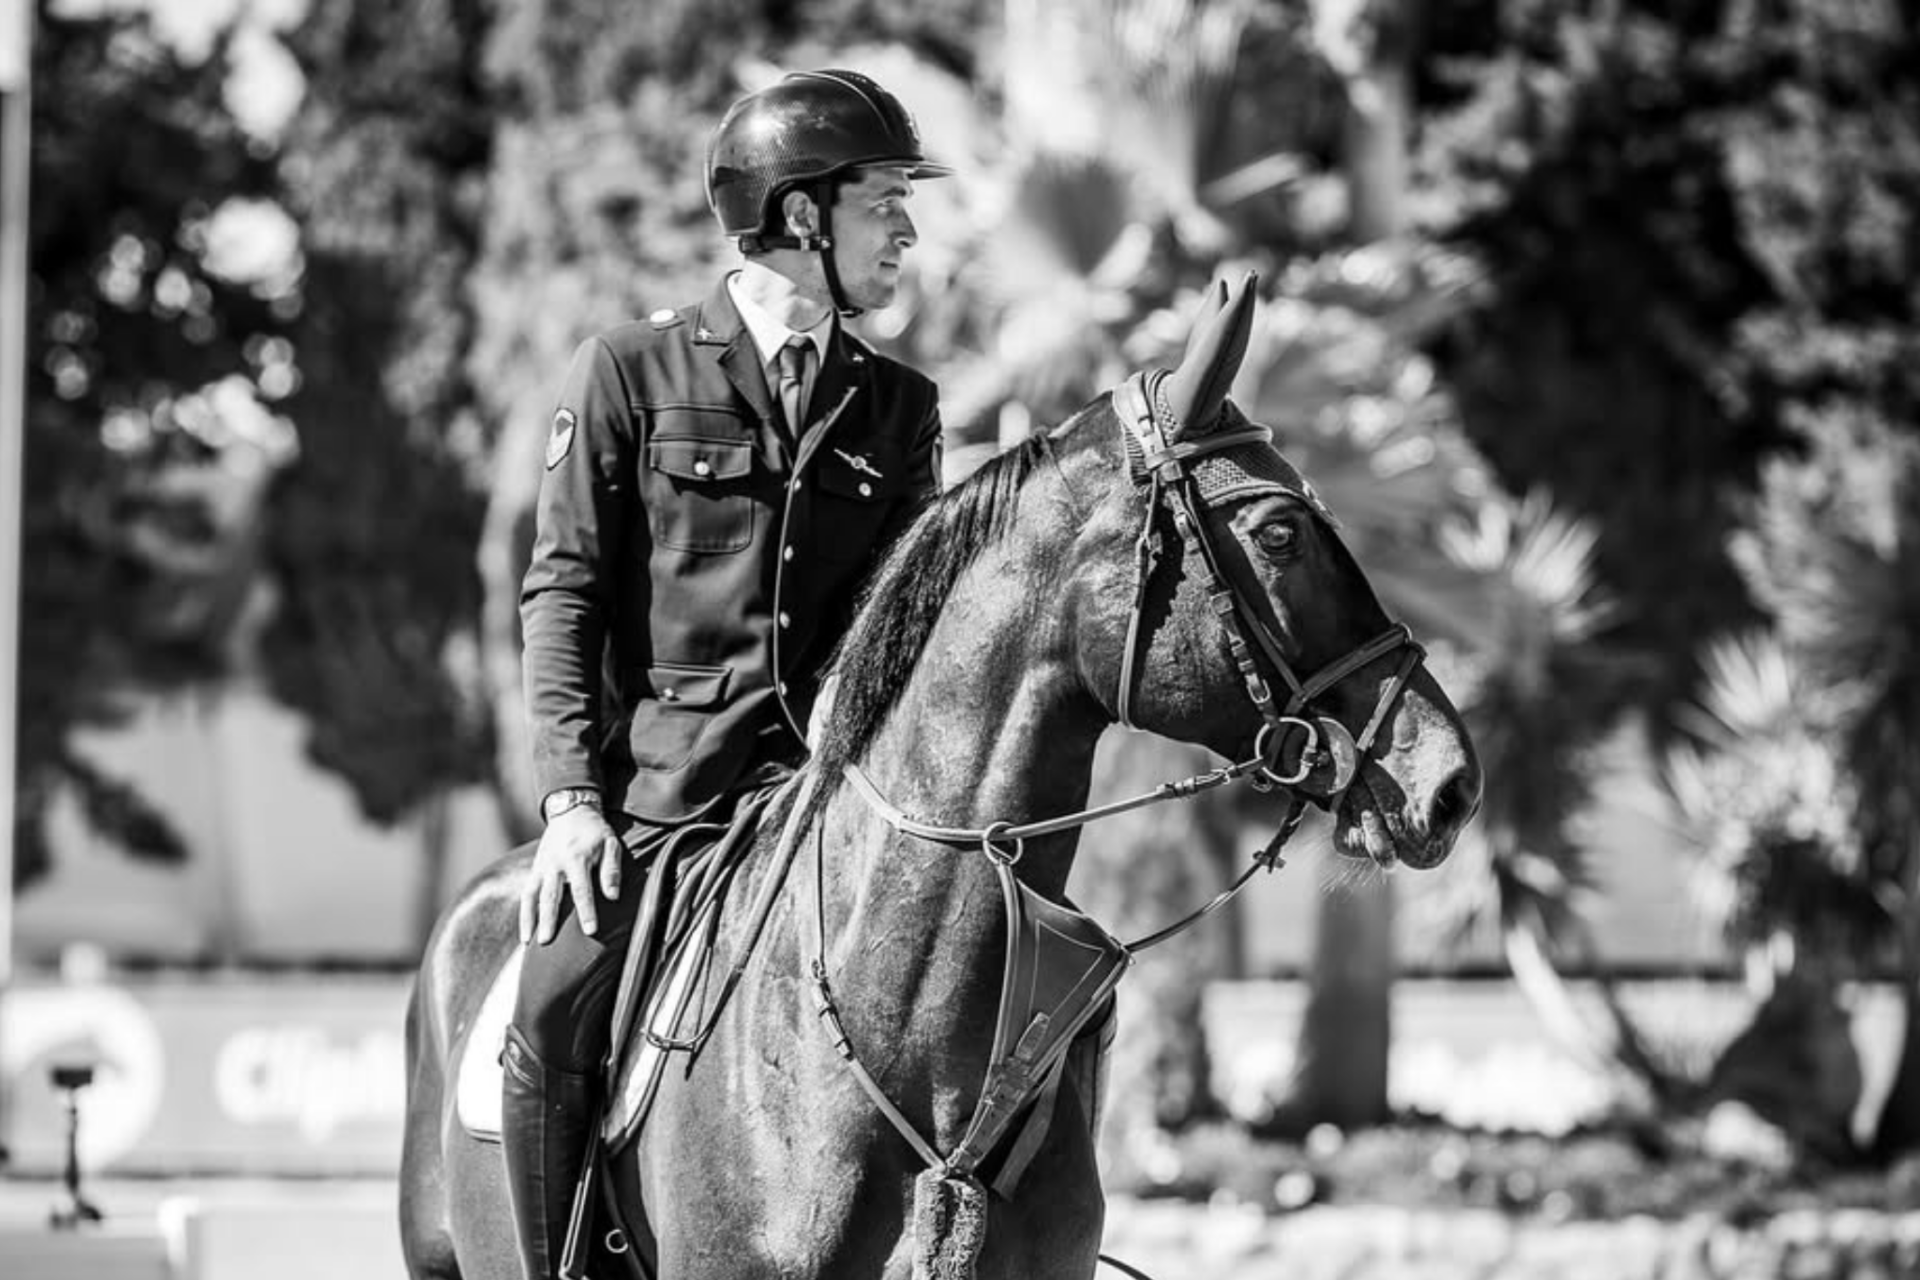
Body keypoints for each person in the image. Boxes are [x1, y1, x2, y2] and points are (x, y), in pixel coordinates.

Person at [503, 69, 948, 1280]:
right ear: (802, 216)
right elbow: (565, 593)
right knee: (548, 1005)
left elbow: (905, 625)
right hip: (662, 806)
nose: (907, 229)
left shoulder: (902, 405)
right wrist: (571, 804)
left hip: (825, 813)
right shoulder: (628, 373)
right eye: (885, 201)